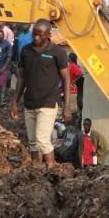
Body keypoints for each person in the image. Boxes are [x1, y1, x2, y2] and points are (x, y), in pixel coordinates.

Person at [10, 20, 67, 167]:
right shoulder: (26, 51)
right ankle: (36, 170)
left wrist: (67, 108)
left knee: (42, 139)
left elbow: (67, 80)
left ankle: (52, 166)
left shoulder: (58, 53)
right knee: (33, 142)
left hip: (48, 102)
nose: (36, 38)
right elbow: (22, 77)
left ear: (48, 35)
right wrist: (15, 101)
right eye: (34, 34)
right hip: (30, 102)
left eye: (40, 35)